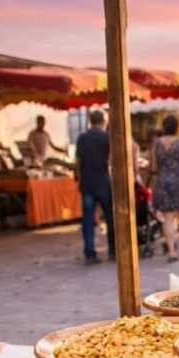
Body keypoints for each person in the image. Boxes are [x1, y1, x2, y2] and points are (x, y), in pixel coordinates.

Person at [149, 115, 179, 261]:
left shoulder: (157, 144)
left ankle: (171, 251)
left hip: (162, 182)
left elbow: (154, 166)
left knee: (168, 217)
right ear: (178, 126)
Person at [75, 109, 112, 264]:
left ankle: (90, 253)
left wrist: (79, 178)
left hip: (87, 183)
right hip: (103, 181)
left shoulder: (82, 138)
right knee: (110, 217)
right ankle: (114, 249)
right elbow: (110, 160)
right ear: (104, 121)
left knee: (88, 219)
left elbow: (77, 161)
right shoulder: (107, 137)